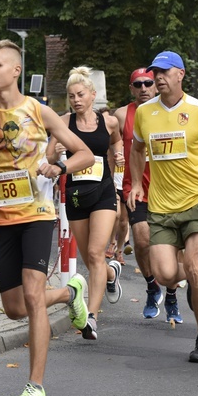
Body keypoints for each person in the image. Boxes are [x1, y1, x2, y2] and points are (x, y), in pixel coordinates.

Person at [0, 39, 95, 396]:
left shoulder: (39, 111)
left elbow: (84, 153)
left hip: (37, 215)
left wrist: (59, 167)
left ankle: (35, 387)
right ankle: (70, 294)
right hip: (0, 220)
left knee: (33, 296)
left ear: (15, 70)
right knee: (16, 308)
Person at [129, 51, 198, 362]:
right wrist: (136, 183)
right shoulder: (144, 113)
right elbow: (136, 150)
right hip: (162, 207)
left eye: (164, 72)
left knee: (196, 267)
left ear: (180, 75)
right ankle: (188, 281)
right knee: (163, 275)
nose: (158, 77)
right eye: (154, 72)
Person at [48, 66, 124, 341]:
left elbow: (117, 141)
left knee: (94, 253)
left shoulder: (109, 121)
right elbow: (48, 157)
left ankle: (91, 317)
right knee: (88, 257)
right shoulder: (63, 122)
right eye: (71, 96)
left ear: (93, 95)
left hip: (103, 192)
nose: (76, 100)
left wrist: (118, 156)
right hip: (77, 195)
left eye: (80, 94)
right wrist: (56, 152)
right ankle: (111, 274)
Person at [115, 68, 183, 323]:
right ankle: (152, 285)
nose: (143, 88)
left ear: (156, 86)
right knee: (142, 241)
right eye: (138, 84)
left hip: (168, 189)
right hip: (136, 188)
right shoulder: (122, 115)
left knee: (173, 247)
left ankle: (173, 295)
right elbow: (111, 144)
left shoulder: (167, 111)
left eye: (148, 83)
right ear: (131, 88)